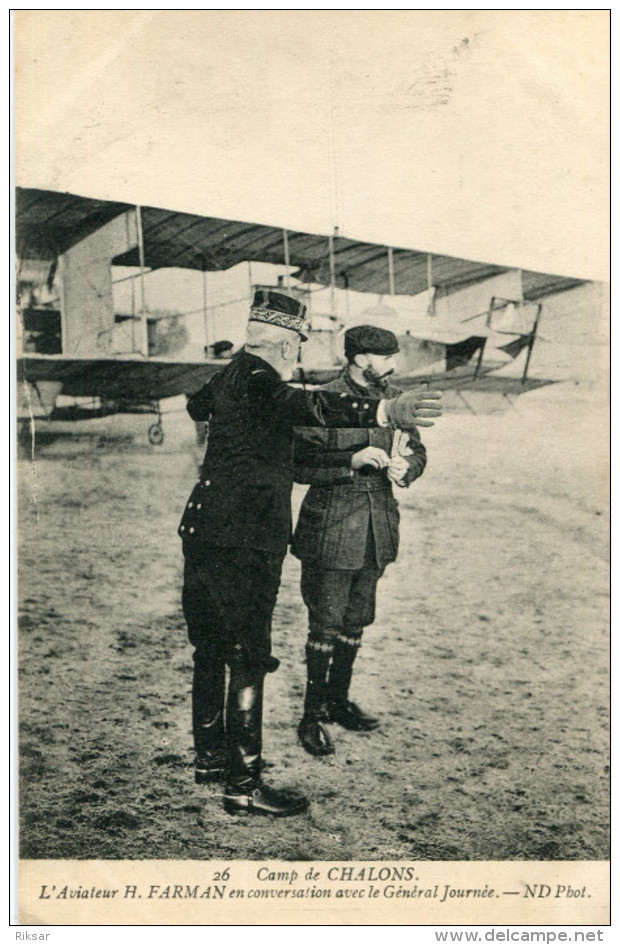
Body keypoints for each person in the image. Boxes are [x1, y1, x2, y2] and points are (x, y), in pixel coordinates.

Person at [179, 292, 441, 817]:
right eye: (296, 344)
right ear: (281, 342)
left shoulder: (232, 376)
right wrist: (384, 408)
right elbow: (309, 405)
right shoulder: (261, 382)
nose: (297, 355)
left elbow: (196, 405)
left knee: (209, 649)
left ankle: (210, 761)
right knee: (248, 657)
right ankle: (243, 784)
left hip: (204, 529)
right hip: (246, 540)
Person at [291, 325, 428, 757]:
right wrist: (350, 461)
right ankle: (310, 718)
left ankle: (337, 701)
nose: (393, 364)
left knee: (357, 619)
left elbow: (418, 449)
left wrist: (407, 467)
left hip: (377, 528)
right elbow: (298, 462)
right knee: (325, 623)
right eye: (386, 357)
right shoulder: (320, 399)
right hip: (331, 526)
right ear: (362, 359)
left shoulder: (396, 401)